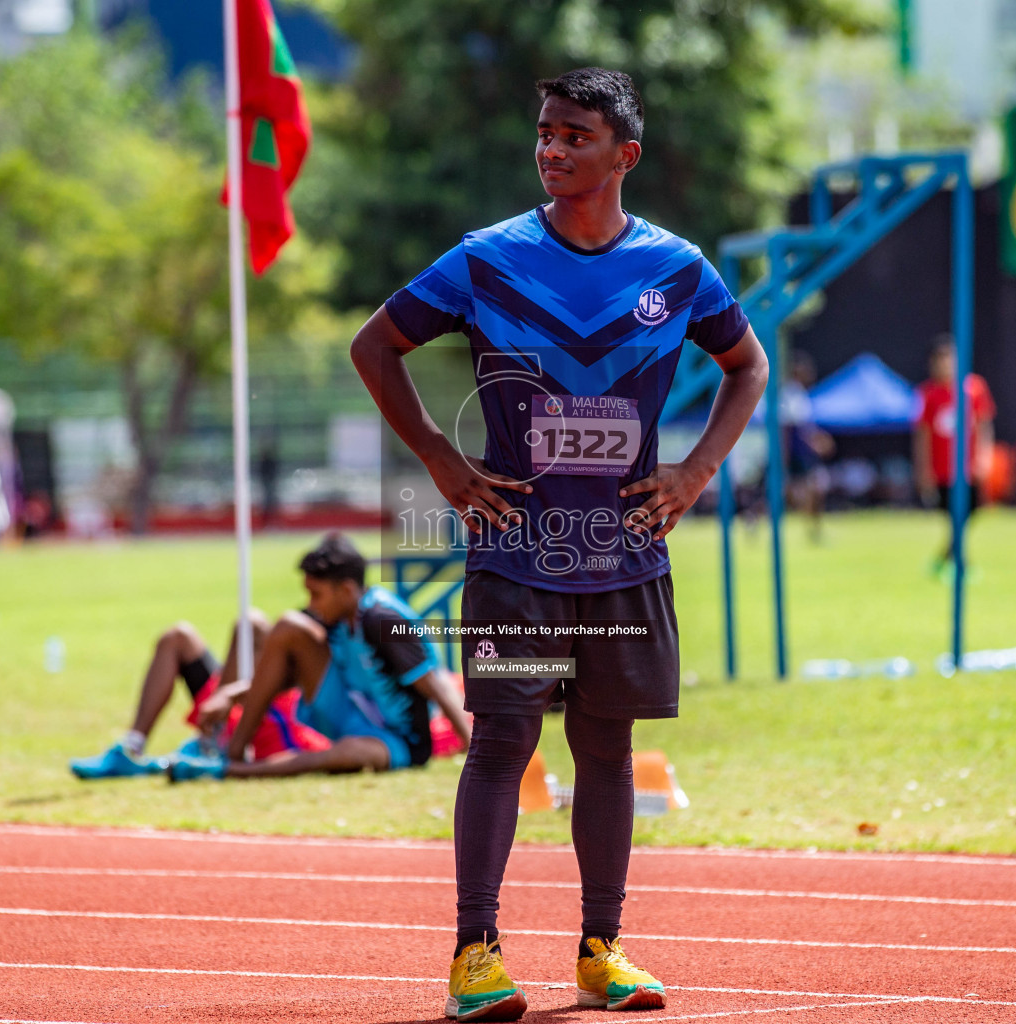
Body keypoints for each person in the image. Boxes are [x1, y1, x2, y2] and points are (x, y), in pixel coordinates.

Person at [350, 68, 767, 1021]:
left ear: (625, 155)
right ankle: (475, 957)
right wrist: (443, 465)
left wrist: (695, 471)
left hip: (626, 553)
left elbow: (747, 365)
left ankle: (601, 951)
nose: (552, 149)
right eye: (545, 133)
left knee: (607, 752)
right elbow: (374, 346)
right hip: (517, 555)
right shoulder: (486, 258)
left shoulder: (675, 268)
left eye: (575, 135)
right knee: (501, 740)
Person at [71, 533, 469, 780]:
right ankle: (226, 751)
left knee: (351, 755)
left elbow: (436, 685)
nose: (311, 602)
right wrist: (234, 693)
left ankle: (235, 768)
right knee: (288, 627)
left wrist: (475, 751)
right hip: (346, 712)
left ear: (348, 590)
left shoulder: (384, 618)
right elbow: (290, 676)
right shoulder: (333, 617)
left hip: (397, 740)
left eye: (317, 593)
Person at [912, 336, 996, 576]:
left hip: (968, 466)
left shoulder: (974, 388)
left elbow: (984, 425)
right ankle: (960, 561)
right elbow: (922, 434)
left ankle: (947, 557)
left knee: (970, 513)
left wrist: (984, 456)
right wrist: (923, 469)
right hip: (941, 468)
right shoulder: (928, 393)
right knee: (952, 515)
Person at [779, 350, 834, 542]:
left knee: (810, 491)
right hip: (798, 454)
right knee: (807, 491)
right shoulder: (791, 393)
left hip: (801, 453)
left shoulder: (799, 393)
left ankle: (814, 531)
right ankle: (814, 531)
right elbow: (790, 429)